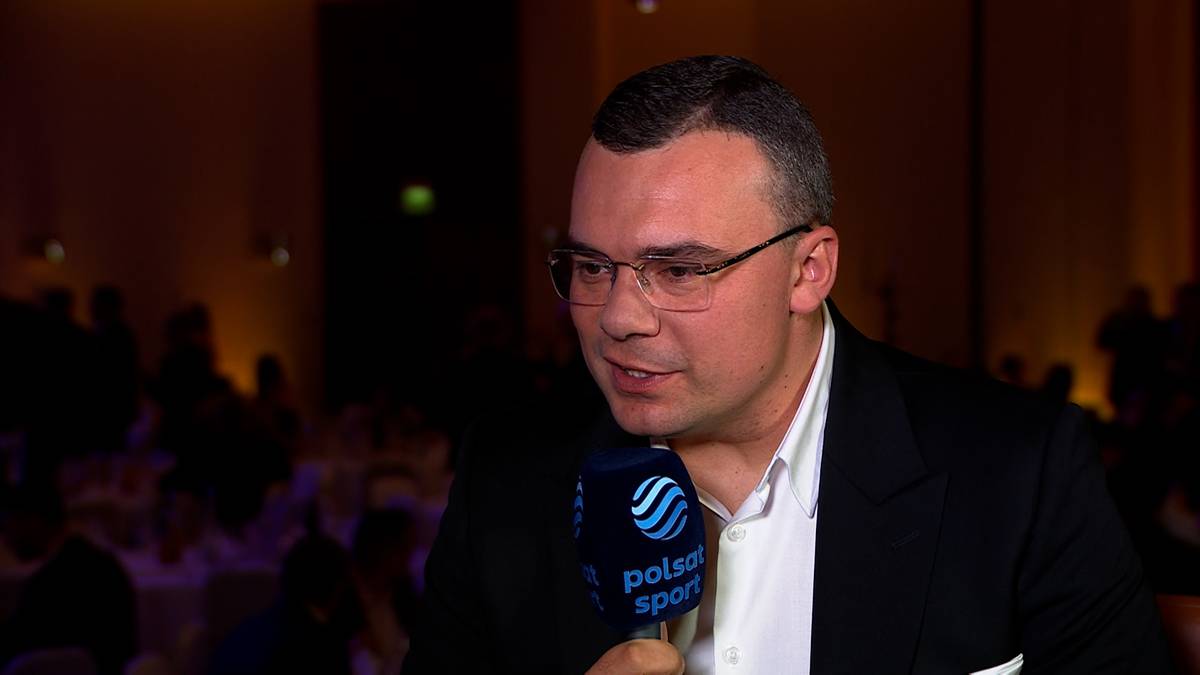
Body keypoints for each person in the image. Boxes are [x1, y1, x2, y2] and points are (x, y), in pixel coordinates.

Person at [405, 56, 1174, 674]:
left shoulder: (1019, 474)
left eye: (680, 270)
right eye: (591, 266)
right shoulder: (508, 480)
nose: (618, 317)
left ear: (809, 270)